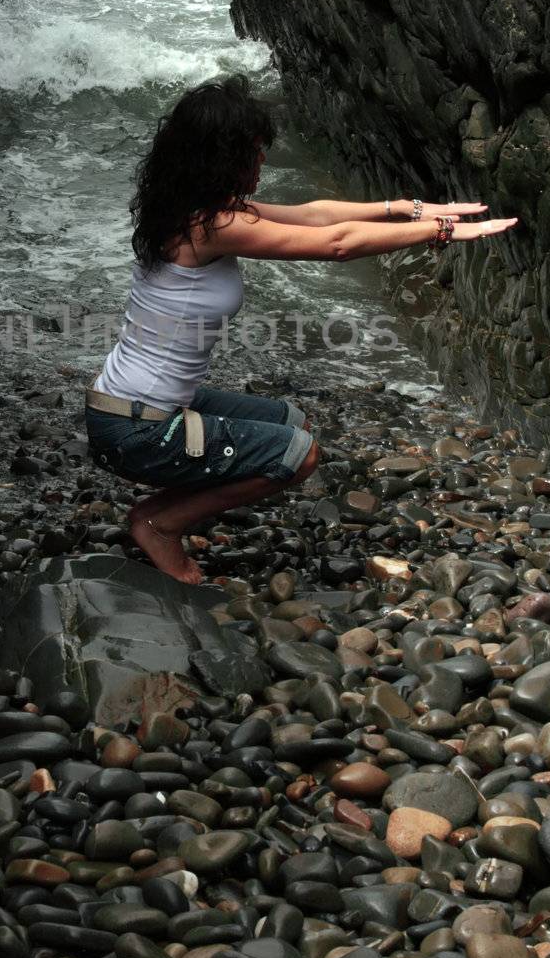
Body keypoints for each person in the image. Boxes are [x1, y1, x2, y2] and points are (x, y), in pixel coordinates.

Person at [85, 75, 518, 584]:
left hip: (128, 404)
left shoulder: (189, 208)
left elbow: (315, 216)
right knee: (299, 453)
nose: (262, 161)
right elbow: (335, 244)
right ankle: (158, 522)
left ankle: (176, 505)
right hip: (138, 426)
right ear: (223, 155)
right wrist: (440, 230)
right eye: (255, 151)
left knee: (292, 421)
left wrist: (404, 208)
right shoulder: (210, 225)